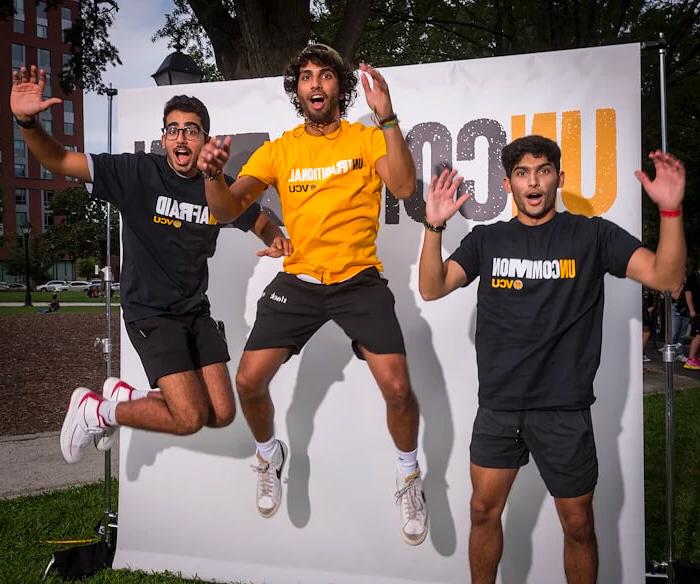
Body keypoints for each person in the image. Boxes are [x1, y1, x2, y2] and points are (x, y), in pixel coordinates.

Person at [418, 135, 686, 583]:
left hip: (563, 408)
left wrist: (671, 212)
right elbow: (432, 286)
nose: (533, 182)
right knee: (483, 512)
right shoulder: (488, 240)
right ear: (507, 185)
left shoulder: (592, 235)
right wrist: (433, 227)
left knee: (578, 526)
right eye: (522, 173)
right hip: (499, 406)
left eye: (543, 170)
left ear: (559, 178)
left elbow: (667, 275)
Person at [197, 44, 428, 545]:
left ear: (340, 88)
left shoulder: (366, 139)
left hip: (358, 279)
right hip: (300, 281)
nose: (316, 84)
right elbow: (224, 209)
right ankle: (268, 454)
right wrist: (214, 175)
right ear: (297, 90)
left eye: (325, 75)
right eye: (305, 76)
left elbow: (407, 189)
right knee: (249, 382)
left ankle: (409, 474)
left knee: (397, 387)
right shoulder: (281, 149)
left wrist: (388, 118)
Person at [11, 65, 290, 465]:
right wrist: (27, 121)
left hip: (195, 311)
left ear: (204, 141)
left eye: (191, 130)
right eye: (173, 129)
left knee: (222, 413)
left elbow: (257, 219)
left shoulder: (217, 186)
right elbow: (58, 160)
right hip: (151, 311)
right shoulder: (137, 172)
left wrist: (275, 239)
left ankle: (124, 398)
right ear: (163, 138)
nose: (181, 137)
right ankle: (96, 410)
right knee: (190, 416)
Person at [684, 262, 700, 370]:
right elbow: (688, 293)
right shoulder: (694, 276)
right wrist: (691, 309)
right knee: (699, 335)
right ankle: (690, 360)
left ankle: (695, 358)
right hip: (697, 311)